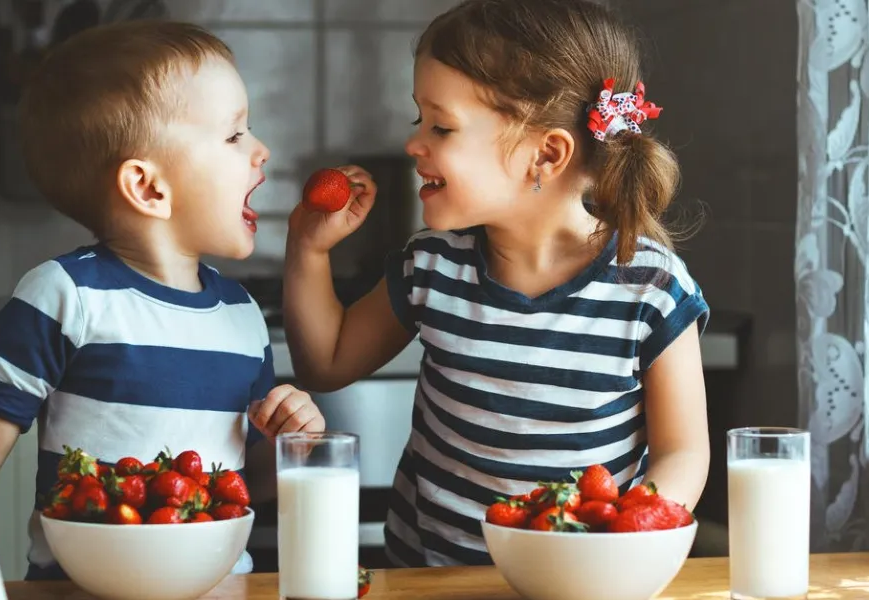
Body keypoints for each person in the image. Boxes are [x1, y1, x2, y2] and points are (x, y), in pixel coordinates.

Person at [282, 0, 711, 567]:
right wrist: (308, 248)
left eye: (441, 126)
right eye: (420, 121)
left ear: (546, 154)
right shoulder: (432, 267)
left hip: (573, 581)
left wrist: (623, 541)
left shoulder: (651, 288)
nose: (414, 143)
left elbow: (684, 453)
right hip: (428, 578)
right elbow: (326, 363)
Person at [0, 20, 325, 580]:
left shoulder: (242, 316)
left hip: (221, 589)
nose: (262, 151)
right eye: (234, 135)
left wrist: (291, 447)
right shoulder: (65, 297)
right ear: (149, 188)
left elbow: (243, 481)